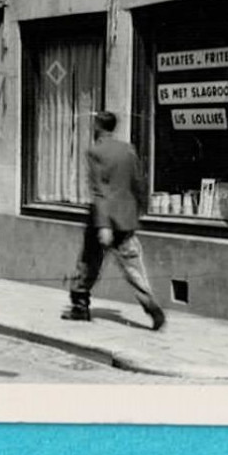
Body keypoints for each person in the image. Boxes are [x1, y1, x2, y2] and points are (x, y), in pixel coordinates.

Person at [64, 110, 166, 331]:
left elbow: (99, 191)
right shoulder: (128, 150)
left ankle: (80, 307)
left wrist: (103, 225)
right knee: (133, 265)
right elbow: (138, 181)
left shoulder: (95, 152)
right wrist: (139, 209)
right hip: (126, 218)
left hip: (103, 219)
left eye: (95, 125)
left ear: (98, 127)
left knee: (89, 263)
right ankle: (151, 305)